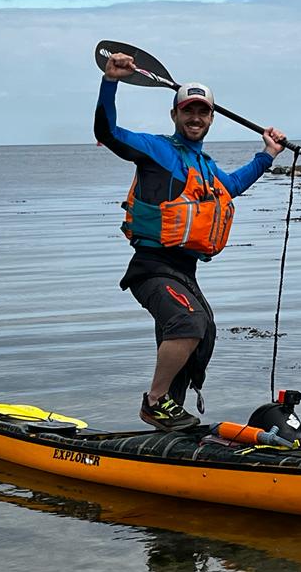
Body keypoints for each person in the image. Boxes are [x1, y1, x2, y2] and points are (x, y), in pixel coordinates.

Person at [96, 52, 286, 431]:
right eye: (188, 111)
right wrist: (110, 82)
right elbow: (108, 133)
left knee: (203, 334)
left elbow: (232, 187)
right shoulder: (156, 150)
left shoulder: (207, 166)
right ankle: (154, 403)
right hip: (151, 268)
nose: (195, 118)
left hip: (184, 272)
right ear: (175, 115)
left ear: (211, 118)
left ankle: (170, 415)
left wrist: (268, 154)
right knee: (188, 321)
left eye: (202, 112)